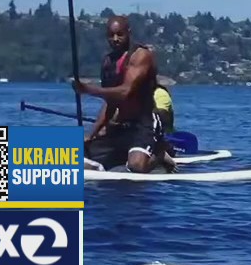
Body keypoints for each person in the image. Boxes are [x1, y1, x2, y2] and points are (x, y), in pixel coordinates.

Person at [74, 16, 177, 173]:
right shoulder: (108, 62)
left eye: (120, 34)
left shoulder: (141, 56)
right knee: (81, 157)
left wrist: (88, 90)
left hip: (145, 123)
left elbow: (125, 91)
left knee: (137, 166)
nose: (115, 39)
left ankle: (159, 155)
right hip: (121, 125)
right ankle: (118, 156)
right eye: (111, 35)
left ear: (128, 33)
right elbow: (110, 103)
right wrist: (91, 134)